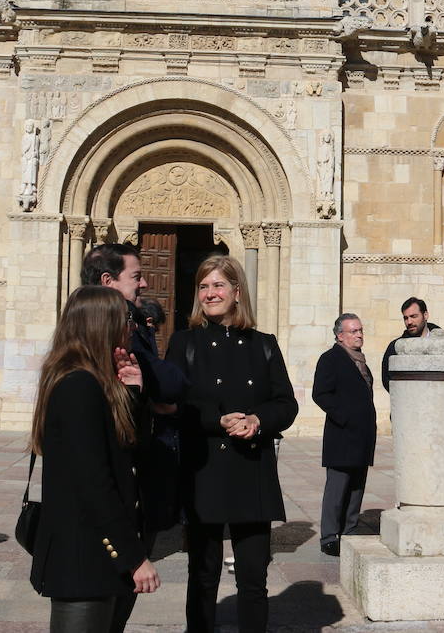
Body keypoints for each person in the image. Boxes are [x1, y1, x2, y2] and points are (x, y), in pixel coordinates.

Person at [165, 255, 298, 633]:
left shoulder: (264, 345)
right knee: (202, 577)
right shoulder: (183, 343)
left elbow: (286, 403)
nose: (211, 293)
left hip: (250, 472)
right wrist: (215, 420)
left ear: (237, 292)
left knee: (254, 580)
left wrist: (258, 421)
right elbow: (174, 406)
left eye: (219, 285)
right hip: (203, 472)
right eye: (204, 286)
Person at [28, 286, 160, 632]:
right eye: (125, 319)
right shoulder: (78, 387)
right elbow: (94, 484)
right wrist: (134, 557)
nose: (132, 327)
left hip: (99, 554)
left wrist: (133, 393)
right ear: (101, 324)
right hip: (83, 556)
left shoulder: (95, 382)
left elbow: (127, 451)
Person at [81, 244, 185, 541]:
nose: (145, 283)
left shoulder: (87, 323)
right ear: (107, 281)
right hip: (119, 460)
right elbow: (170, 382)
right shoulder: (115, 329)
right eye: (136, 276)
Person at [311, 313, 376, 556]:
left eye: (360, 330)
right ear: (340, 336)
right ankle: (329, 536)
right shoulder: (331, 359)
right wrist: (344, 417)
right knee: (337, 487)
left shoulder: (361, 361)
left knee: (357, 485)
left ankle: (350, 529)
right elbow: (320, 393)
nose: (359, 335)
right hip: (342, 434)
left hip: (362, 435)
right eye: (353, 331)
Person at [381, 297, 444, 391]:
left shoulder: (443, 343)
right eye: (406, 318)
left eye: (414, 316)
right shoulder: (395, 347)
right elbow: (387, 380)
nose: (409, 322)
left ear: (425, 315)